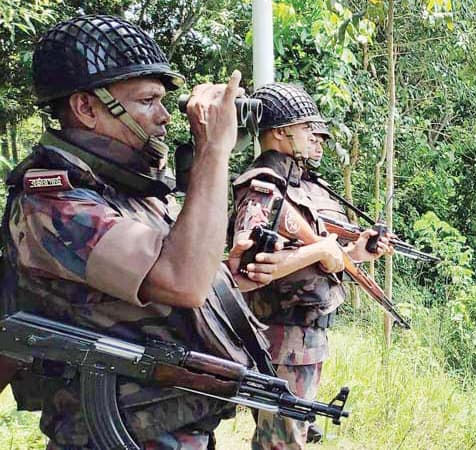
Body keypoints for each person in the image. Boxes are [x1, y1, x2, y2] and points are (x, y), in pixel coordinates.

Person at [0, 14, 284, 449]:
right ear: (86, 108)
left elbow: (182, 285)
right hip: (107, 435)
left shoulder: (125, 188)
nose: (166, 117)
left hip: (169, 426)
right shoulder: (52, 201)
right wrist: (214, 150)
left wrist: (232, 269)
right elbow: (182, 281)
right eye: (149, 100)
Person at [231, 82, 393, 450]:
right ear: (280, 132)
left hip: (302, 339)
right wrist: (319, 250)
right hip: (280, 338)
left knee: (289, 438)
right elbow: (245, 272)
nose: (317, 139)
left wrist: (355, 253)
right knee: (281, 445)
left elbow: (308, 258)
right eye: (308, 129)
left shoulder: (297, 185)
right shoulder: (263, 186)